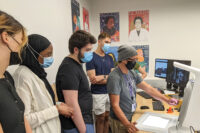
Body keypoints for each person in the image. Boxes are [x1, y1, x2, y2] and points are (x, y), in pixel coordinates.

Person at [107, 45, 178, 133]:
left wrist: (166, 100)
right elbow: (115, 105)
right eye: (134, 59)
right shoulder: (114, 77)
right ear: (125, 60)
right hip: (120, 120)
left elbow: (148, 89)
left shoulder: (131, 73)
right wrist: (127, 124)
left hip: (130, 116)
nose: (136, 62)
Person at [13, 34, 73, 133]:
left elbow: (39, 103)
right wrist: (56, 109)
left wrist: (57, 104)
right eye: (47, 54)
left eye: (51, 54)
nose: (50, 58)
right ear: (33, 54)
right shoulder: (22, 76)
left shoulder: (37, 71)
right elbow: (25, 119)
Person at [56, 30, 97, 133]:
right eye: (87, 50)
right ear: (76, 50)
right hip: (76, 125)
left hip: (83, 120)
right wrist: (83, 130)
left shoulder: (77, 64)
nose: (90, 53)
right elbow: (72, 103)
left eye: (91, 50)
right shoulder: (68, 68)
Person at [0, 10, 32, 133]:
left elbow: (21, 118)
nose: (21, 49)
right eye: (21, 41)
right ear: (6, 37)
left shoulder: (7, 77)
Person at [86, 33, 114, 133]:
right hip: (98, 94)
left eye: (109, 43)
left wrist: (102, 77)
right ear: (99, 41)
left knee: (107, 117)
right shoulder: (91, 57)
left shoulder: (110, 58)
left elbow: (113, 78)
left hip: (109, 92)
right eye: (106, 42)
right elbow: (93, 79)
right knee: (100, 118)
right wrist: (107, 77)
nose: (108, 44)